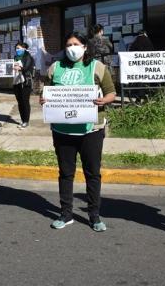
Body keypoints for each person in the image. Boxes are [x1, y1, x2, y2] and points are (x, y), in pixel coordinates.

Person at [40, 31, 116, 232]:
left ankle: (94, 216)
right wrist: (44, 99)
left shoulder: (97, 68)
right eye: (68, 45)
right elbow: (46, 91)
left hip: (91, 130)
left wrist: (104, 100)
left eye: (75, 44)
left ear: (84, 46)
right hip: (62, 131)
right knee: (66, 174)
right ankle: (66, 214)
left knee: (92, 174)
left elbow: (111, 92)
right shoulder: (55, 68)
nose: (71, 48)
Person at [13, 42, 35, 129]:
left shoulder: (28, 57)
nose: (17, 50)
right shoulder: (15, 57)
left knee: (25, 101)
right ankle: (22, 120)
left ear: (24, 48)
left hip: (25, 82)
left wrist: (20, 68)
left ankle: (26, 121)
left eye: (19, 48)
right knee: (19, 102)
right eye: (16, 48)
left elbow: (27, 67)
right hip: (16, 81)